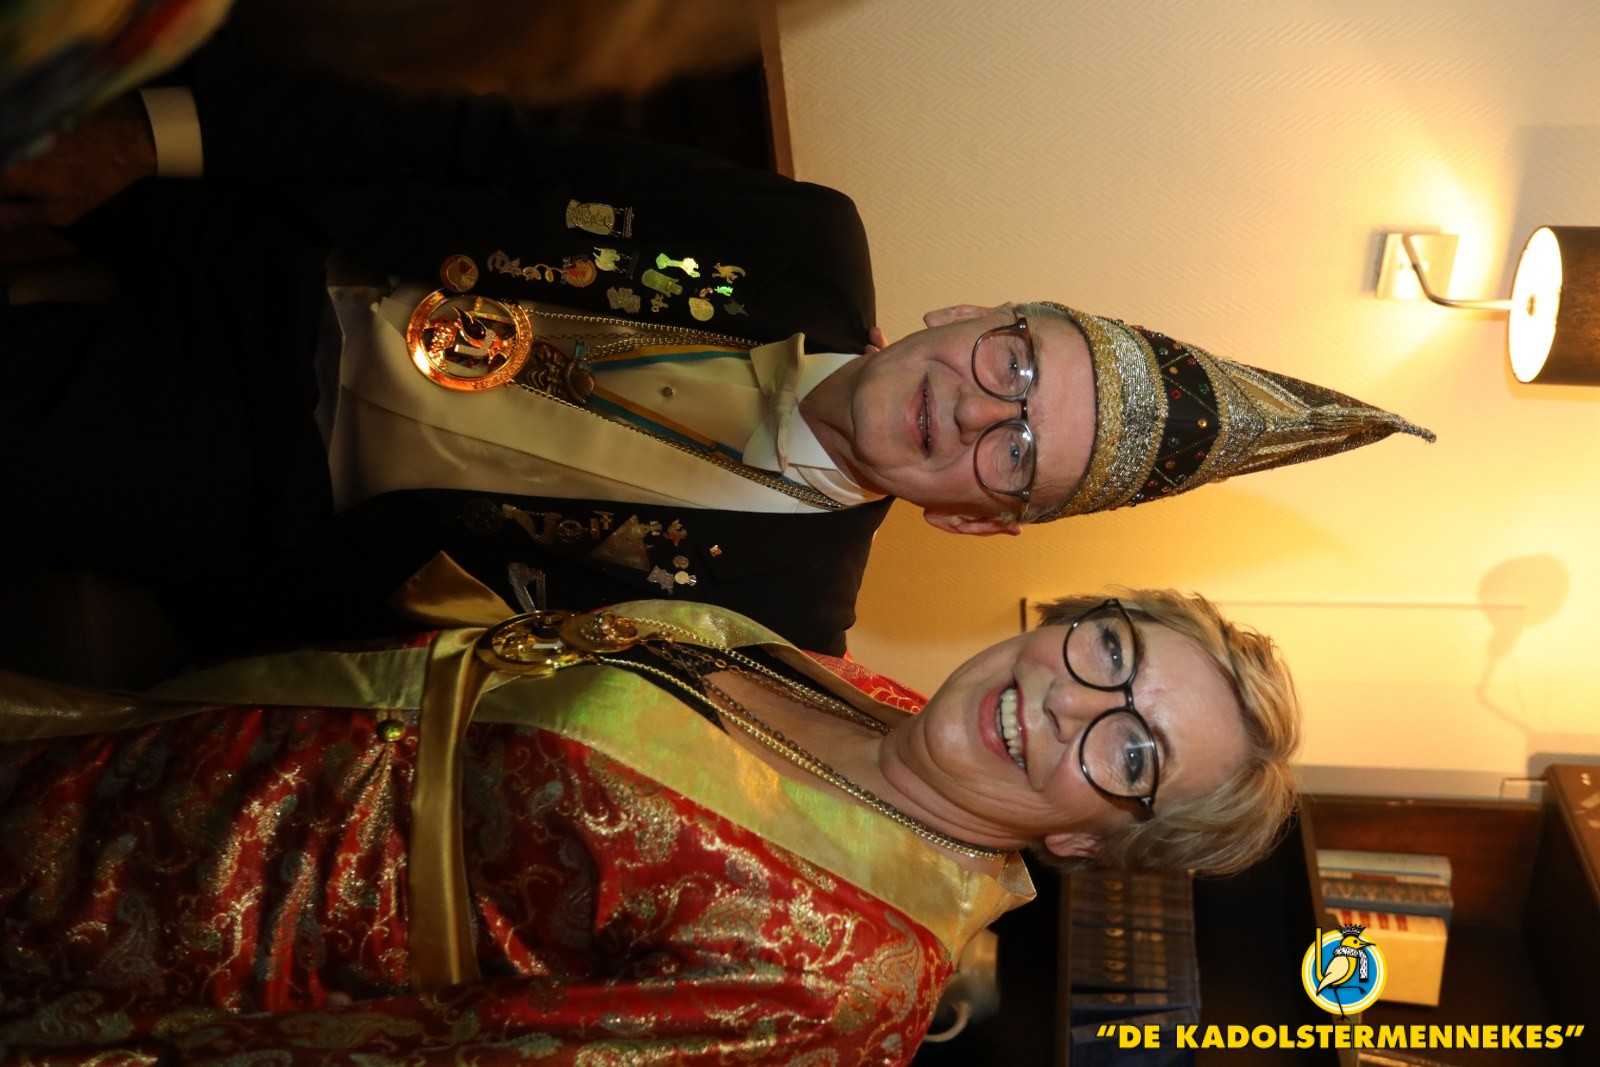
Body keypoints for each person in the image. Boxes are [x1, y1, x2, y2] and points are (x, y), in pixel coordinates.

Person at [0, 35, 1431, 658]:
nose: (972, 414)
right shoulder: (805, 236)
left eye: (1016, 455)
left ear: (979, 523)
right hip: (267, 237)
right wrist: (157, 139)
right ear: (966, 314)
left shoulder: (779, 625)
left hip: (249, 478)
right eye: (1014, 367)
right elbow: (467, 143)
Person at [0, 570, 1299, 1063]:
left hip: (131, 955)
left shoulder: (846, 993)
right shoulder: (875, 698)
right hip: (149, 757)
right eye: (1111, 651)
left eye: (1130, 751)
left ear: (1089, 840)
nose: (1070, 703)